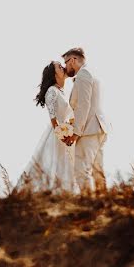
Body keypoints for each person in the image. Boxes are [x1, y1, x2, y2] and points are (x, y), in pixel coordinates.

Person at [14, 60, 75, 193]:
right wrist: (62, 135)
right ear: (54, 74)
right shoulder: (52, 91)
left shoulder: (61, 91)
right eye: (59, 67)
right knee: (51, 164)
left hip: (65, 133)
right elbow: (53, 119)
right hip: (57, 135)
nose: (63, 67)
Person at [62, 47, 109, 192]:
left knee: (81, 170)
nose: (65, 67)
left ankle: (88, 203)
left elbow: (84, 105)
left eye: (66, 62)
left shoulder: (83, 74)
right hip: (98, 128)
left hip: (89, 129)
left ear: (73, 60)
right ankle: (104, 202)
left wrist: (76, 132)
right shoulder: (92, 72)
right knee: (97, 170)